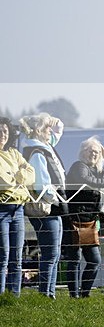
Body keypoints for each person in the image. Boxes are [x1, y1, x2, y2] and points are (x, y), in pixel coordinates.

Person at [18, 113, 68, 299]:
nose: (50, 131)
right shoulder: (37, 152)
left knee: (54, 253)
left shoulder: (43, 146)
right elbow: (41, 186)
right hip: (47, 207)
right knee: (50, 253)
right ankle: (45, 294)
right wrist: (57, 197)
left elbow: (58, 130)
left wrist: (55, 121)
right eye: (47, 127)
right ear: (39, 131)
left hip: (53, 207)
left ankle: (50, 292)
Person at [64, 138, 104, 298]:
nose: (93, 154)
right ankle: (74, 296)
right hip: (74, 219)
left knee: (94, 260)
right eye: (90, 150)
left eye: (97, 152)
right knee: (74, 260)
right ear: (83, 152)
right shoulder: (78, 166)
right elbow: (85, 180)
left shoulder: (97, 169)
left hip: (90, 221)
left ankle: (84, 294)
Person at [0, 117, 35, 296]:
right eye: (0, 131)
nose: (2, 135)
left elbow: (31, 173)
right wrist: (18, 177)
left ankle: (14, 296)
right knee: (3, 256)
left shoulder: (13, 153)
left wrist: (17, 176)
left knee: (17, 257)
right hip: (2, 210)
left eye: (5, 131)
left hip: (18, 209)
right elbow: (4, 182)